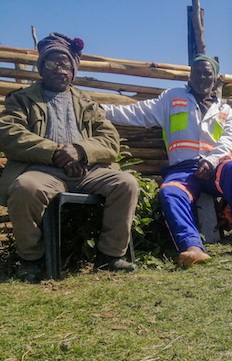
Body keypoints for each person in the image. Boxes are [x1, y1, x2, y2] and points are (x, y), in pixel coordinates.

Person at [0, 32, 138, 282]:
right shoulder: (21, 99)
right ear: (42, 68)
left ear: (73, 69)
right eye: (51, 63)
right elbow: (10, 135)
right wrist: (55, 153)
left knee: (126, 183)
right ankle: (32, 260)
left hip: (86, 172)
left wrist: (81, 151)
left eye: (65, 63)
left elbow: (110, 140)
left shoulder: (87, 103)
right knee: (24, 188)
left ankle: (109, 256)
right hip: (41, 171)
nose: (59, 68)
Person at [102, 54, 232, 266]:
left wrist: (212, 161)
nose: (202, 77)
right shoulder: (172, 98)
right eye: (197, 73)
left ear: (215, 79)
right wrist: (100, 110)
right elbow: (137, 112)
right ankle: (192, 246)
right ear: (190, 76)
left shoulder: (225, 110)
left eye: (207, 74)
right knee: (170, 192)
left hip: (214, 168)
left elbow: (231, 141)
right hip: (182, 170)